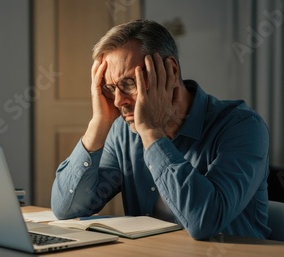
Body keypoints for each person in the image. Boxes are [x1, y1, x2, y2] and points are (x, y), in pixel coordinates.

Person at [51, 19, 271, 240]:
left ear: (171, 71)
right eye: (110, 88)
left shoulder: (243, 126)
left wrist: (151, 133)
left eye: (129, 83)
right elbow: (66, 209)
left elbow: (205, 222)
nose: (118, 101)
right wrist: (98, 123)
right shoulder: (123, 132)